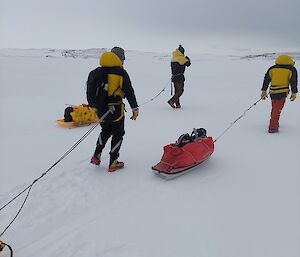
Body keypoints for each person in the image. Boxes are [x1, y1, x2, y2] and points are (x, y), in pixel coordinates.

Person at [89, 47, 139, 171]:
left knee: (105, 131)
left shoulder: (96, 72)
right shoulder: (120, 73)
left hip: (100, 110)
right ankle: (113, 162)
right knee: (118, 133)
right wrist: (135, 108)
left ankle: (96, 155)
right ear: (120, 58)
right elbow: (129, 91)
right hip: (116, 110)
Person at [261, 54, 298, 133]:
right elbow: (293, 82)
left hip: (272, 92)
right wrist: (294, 93)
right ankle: (273, 127)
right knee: (277, 110)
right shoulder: (291, 69)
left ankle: (274, 123)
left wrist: (263, 91)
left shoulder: (272, 68)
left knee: (275, 108)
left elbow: (266, 80)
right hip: (282, 93)